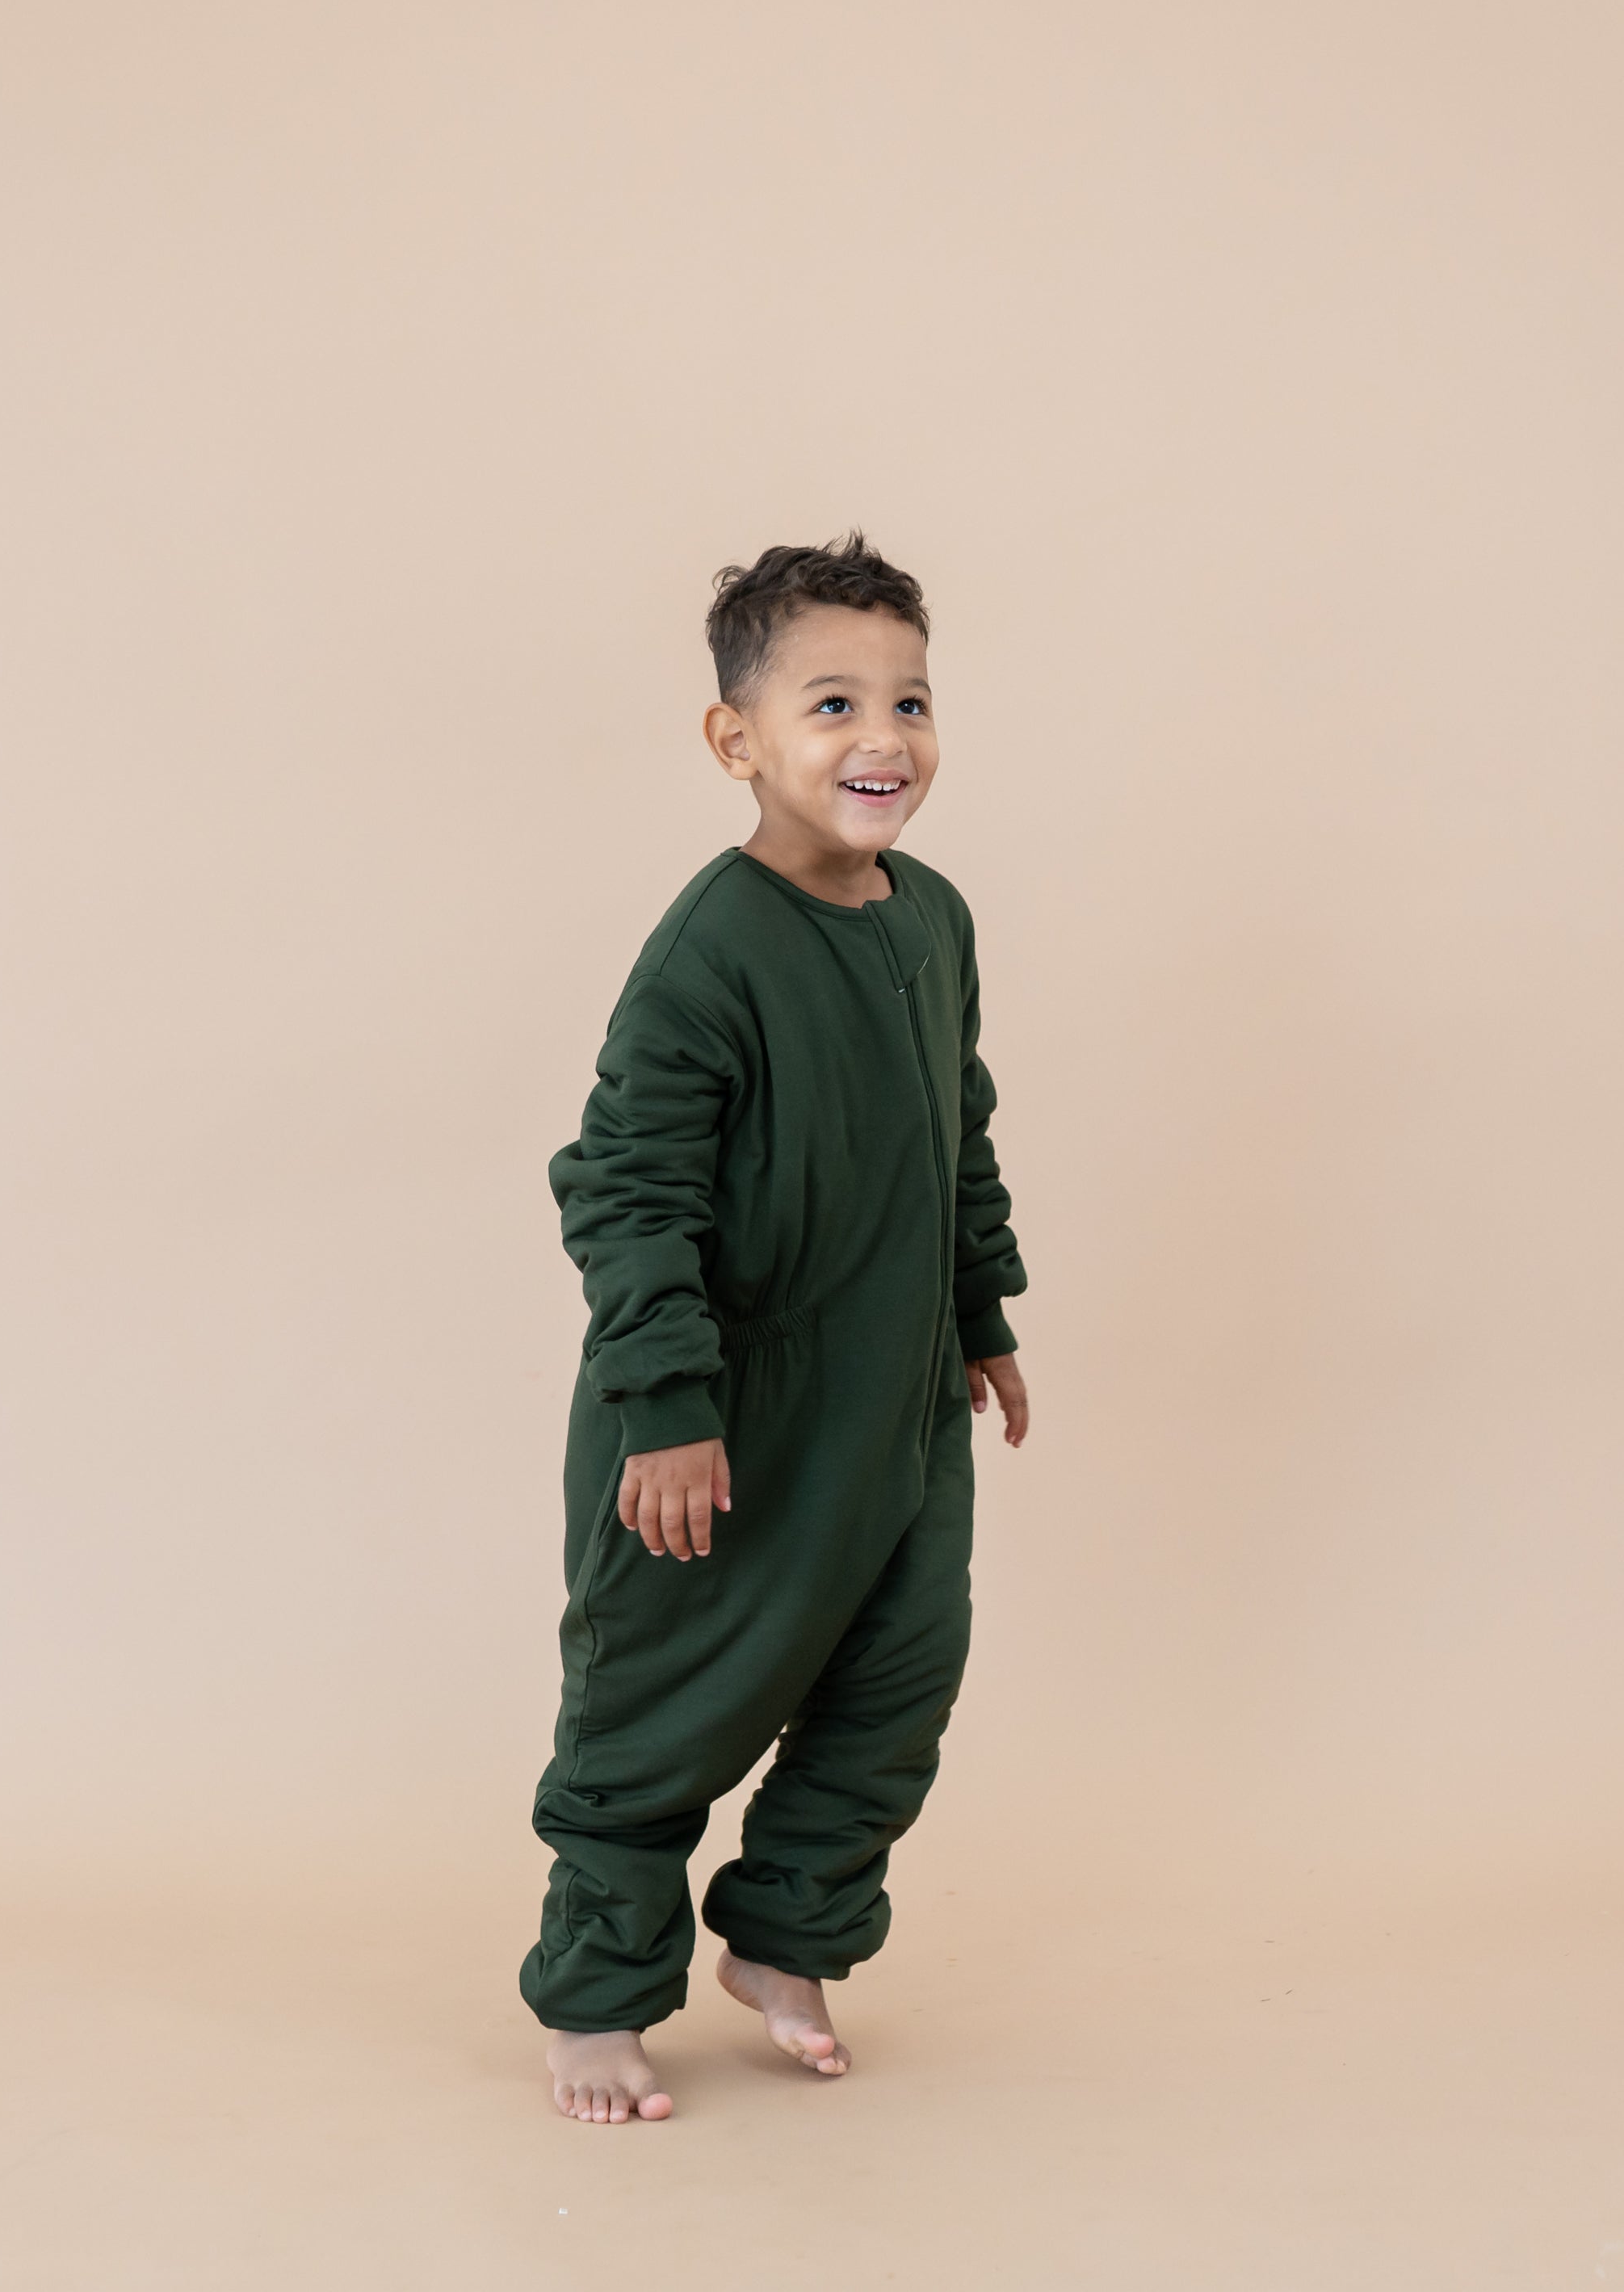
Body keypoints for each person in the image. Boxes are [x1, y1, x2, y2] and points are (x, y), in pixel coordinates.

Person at [522, 534, 1031, 2124]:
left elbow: (958, 1129)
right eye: (831, 704)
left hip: (897, 1411)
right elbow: (627, 1192)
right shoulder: (710, 957)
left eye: (910, 701)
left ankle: (786, 1940)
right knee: (660, 1713)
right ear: (737, 742)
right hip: (719, 1425)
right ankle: (600, 2001)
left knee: (900, 1678)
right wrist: (669, 1403)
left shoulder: (933, 920)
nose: (882, 739)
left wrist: (979, 1308)